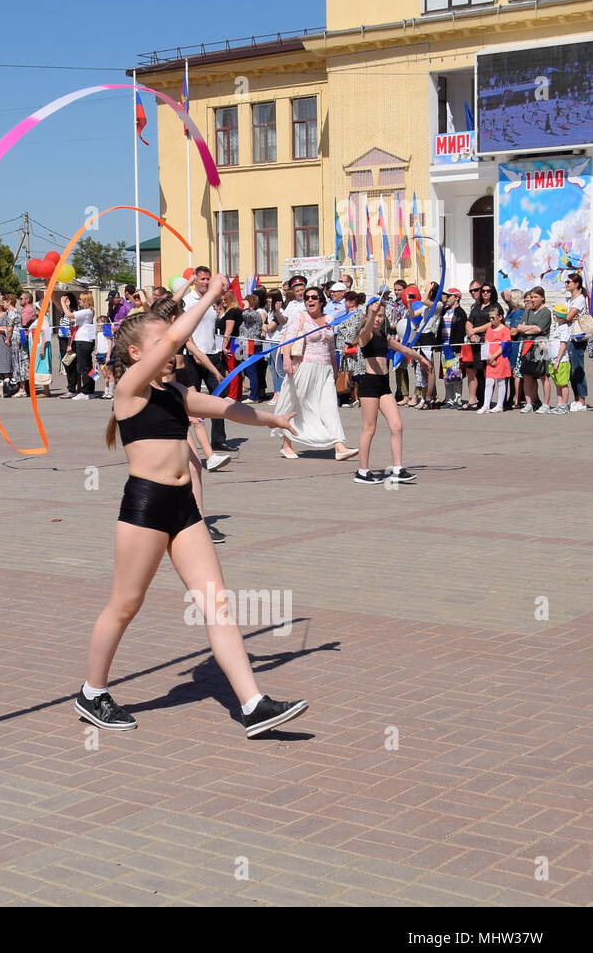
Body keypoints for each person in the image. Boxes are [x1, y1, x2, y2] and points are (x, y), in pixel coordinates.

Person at [74, 277, 308, 737]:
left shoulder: (177, 393)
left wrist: (273, 419)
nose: (171, 345)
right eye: (160, 340)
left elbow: (227, 408)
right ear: (139, 354)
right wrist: (210, 294)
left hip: (183, 508)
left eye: (169, 338)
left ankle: (252, 704)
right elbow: (181, 334)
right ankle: (92, 692)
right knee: (125, 605)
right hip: (145, 506)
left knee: (216, 604)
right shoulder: (129, 389)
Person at [272, 286, 359, 462]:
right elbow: (289, 337)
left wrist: (335, 369)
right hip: (305, 365)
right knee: (296, 403)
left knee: (330, 406)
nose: (310, 300)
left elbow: (331, 345)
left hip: (325, 368)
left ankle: (339, 445)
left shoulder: (329, 319)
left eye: (314, 297)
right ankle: (286, 444)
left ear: (321, 300)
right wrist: (286, 359)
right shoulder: (300, 317)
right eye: (307, 298)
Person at [353, 299, 431, 484]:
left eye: (382, 316)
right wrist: (372, 313)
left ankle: (397, 468)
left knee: (396, 425)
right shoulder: (366, 335)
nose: (379, 319)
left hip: (384, 385)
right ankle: (362, 472)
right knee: (369, 429)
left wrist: (421, 358)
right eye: (376, 316)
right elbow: (366, 328)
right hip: (370, 384)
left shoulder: (384, 337)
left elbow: (403, 348)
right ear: (368, 316)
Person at [183, 267, 232, 449]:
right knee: (192, 402)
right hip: (193, 357)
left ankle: (219, 439)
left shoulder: (213, 301)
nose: (205, 282)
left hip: (212, 355)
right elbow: (187, 329)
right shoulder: (188, 301)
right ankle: (189, 441)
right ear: (195, 279)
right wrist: (195, 351)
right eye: (202, 279)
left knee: (219, 398)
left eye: (207, 279)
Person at [462, 282, 502, 409]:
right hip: (473, 342)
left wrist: (475, 330)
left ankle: (487, 401)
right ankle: (472, 400)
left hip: (487, 342)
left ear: (492, 292)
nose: (485, 293)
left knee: (487, 371)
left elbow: (492, 323)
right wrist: (471, 333)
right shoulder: (476, 306)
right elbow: (469, 321)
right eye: (483, 290)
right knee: (471, 370)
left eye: (488, 291)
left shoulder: (495, 306)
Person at [515, 287, 552, 413]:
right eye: (531, 297)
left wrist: (528, 328)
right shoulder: (528, 311)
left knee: (543, 376)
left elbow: (539, 329)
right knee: (527, 375)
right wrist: (529, 328)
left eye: (535, 297)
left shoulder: (546, 312)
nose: (532, 300)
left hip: (540, 346)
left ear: (542, 297)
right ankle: (529, 403)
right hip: (527, 345)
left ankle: (546, 404)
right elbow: (519, 327)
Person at [479, 306, 513, 414]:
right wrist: (489, 356)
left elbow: (504, 345)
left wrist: (494, 356)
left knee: (501, 382)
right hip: (490, 359)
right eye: (490, 318)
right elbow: (487, 343)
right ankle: (486, 404)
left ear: (500, 317)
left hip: (500, 359)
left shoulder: (505, 330)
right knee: (489, 382)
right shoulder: (489, 329)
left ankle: (499, 405)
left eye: (493, 318)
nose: (491, 320)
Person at [562, 272, 588, 411]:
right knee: (570, 369)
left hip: (577, 337)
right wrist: (564, 316)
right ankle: (577, 398)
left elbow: (568, 316)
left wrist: (563, 316)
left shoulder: (580, 299)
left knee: (577, 368)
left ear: (576, 284)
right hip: (568, 336)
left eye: (568, 282)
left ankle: (582, 400)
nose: (566, 284)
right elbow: (562, 316)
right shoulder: (569, 299)